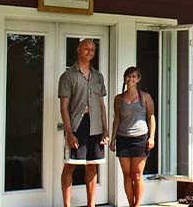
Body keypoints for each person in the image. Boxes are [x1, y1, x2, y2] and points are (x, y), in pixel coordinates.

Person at [59, 39, 109, 207]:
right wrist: (69, 132)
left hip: (95, 125)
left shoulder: (98, 76)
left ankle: (91, 205)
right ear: (78, 50)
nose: (90, 52)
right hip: (77, 124)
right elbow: (64, 107)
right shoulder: (68, 76)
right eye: (87, 49)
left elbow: (102, 105)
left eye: (93, 50)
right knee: (70, 166)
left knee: (92, 166)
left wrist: (106, 130)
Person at [111, 66, 156, 207]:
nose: (131, 79)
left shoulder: (145, 97)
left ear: (138, 79)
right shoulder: (118, 99)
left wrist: (151, 137)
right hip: (123, 139)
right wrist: (113, 139)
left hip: (140, 139)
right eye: (128, 76)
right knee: (127, 175)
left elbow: (151, 117)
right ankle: (131, 204)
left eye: (134, 77)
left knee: (137, 175)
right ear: (125, 79)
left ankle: (137, 205)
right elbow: (117, 119)